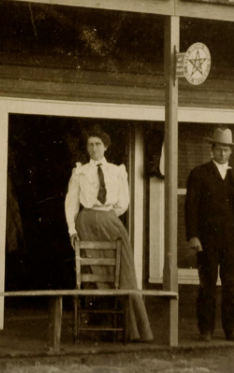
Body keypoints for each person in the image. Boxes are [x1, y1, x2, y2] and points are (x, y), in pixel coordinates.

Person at [64, 126, 153, 342]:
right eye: (90, 145)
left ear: (106, 146)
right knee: (96, 277)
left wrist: (107, 215)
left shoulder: (116, 171)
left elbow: (123, 203)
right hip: (86, 222)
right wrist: (72, 229)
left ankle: (133, 330)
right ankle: (102, 329)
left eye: (98, 144)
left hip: (110, 221)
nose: (94, 149)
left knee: (124, 273)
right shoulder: (80, 171)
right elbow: (71, 202)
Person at [184, 126, 234, 342]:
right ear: (211, 150)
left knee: (232, 285)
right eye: (219, 149)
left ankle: (231, 328)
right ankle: (206, 329)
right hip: (207, 240)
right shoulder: (199, 173)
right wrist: (193, 236)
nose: (222, 153)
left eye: (226, 150)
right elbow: (190, 208)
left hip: (232, 239)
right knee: (207, 284)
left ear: (231, 152)